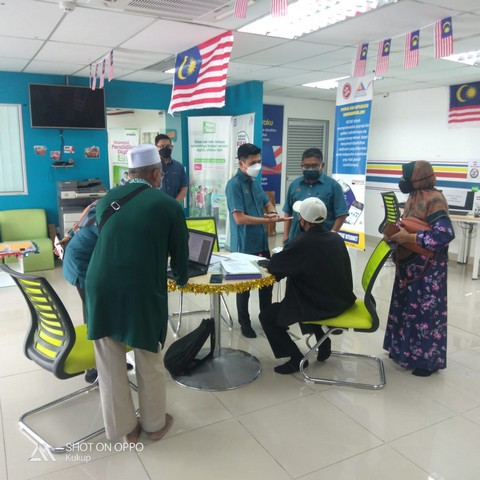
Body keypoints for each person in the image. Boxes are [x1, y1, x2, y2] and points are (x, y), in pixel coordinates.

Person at [85, 144, 189, 444]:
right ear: (156, 173)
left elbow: (113, 239)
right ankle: (154, 425)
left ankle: (125, 430)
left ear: (130, 173)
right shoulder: (168, 205)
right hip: (140, 288)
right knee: (147, 355)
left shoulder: (107, 200)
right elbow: (180, 256)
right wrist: (181, 278)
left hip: (99, 284)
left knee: (109, 360)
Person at [260, 197, 356, 374]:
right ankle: (323, 341)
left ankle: (296, 358)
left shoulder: (302, 242)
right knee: (300, 295)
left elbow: (276, 267)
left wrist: (270, 263)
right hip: (340, 301)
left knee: (267, 317)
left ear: (302, 219)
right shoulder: (336, 238)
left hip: (319, 306)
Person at [383, 160, 455, 377]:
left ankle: (426, 362)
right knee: (405, 308)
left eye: (406, 177)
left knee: (425, 313)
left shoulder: (434, 199)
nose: (403, 181)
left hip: (428, 268)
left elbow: (444, 234)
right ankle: (402, 351)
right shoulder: (414, 196)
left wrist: (410, 237)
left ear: (418, 178)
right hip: (409, 264)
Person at [225, 143, 285, 338]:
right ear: (241, 163)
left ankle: (267, 320)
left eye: (259, 162)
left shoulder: (255, 182)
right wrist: (267, 220)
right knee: (244, 287)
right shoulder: (234, 185)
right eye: (253, 163)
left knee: (266, 283)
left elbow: (267, 203)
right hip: (244, 245)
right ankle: (245, 323)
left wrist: (272, 212)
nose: (257, 166)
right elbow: (239, 218)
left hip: (261, 242)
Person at [283, 147, 348, 245]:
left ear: (322, 165)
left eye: (314, 166)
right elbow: (288, 212)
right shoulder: (294, 185)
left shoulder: (333, 186)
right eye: (306, 166)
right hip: (295, 239)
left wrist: (332, 234)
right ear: (301, 165)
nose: (310, 169)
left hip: (322, 242)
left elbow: (341, 214)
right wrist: (285, 236)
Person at [155, 133, 188, 202]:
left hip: (174, 206)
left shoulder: (179, 167)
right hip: (156, 206)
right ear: (156, 148)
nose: (165, 149)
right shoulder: (151, 167)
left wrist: (174, 203)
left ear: (171, 147)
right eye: (162, 146)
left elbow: (184, 188)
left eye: (168, 146)